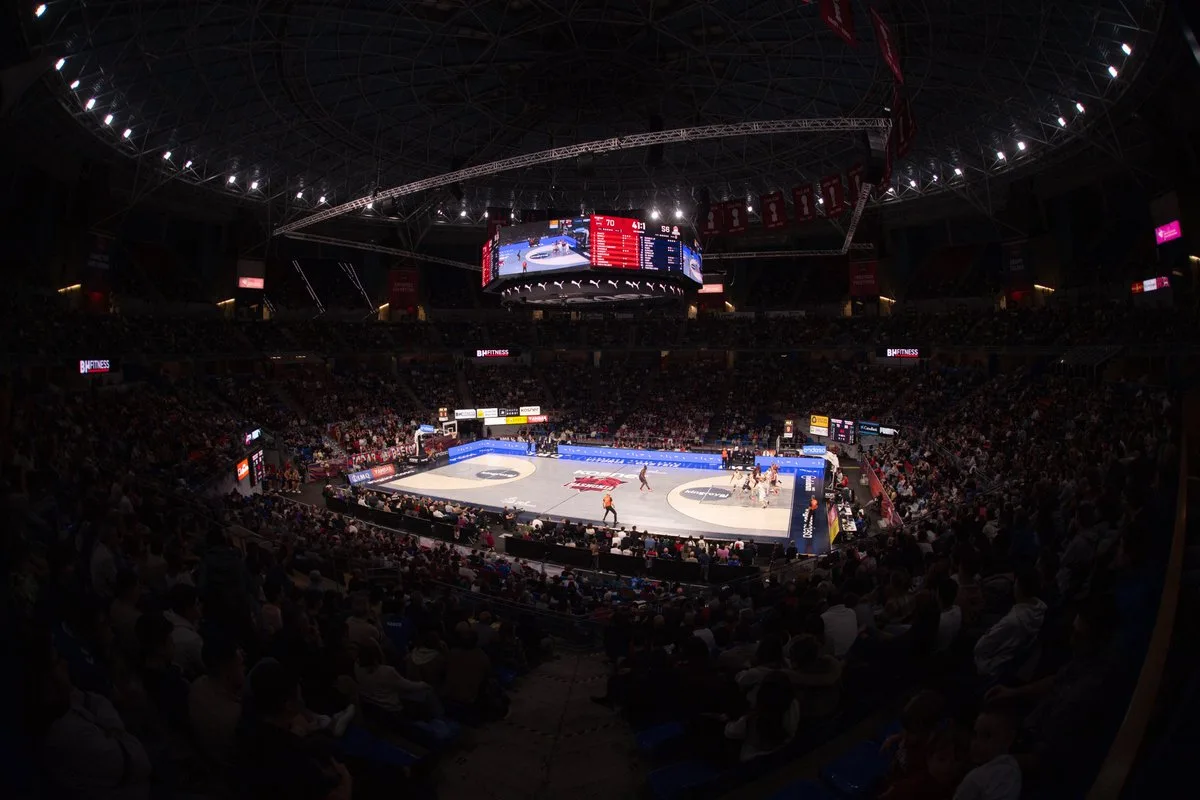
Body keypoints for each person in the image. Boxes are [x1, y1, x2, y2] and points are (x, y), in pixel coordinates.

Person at [235, 660, 353, 800]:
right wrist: (346, 782)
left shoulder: (246, 731)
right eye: (298, 694)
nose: (301, 698)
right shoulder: (293, 759)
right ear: (289, 705)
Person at [953, 709, 1021, 800]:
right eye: (975, 734)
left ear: (1008, 738)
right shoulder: (980, 769)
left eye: (987, 736)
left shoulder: (1004, 773)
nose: (976, 743)